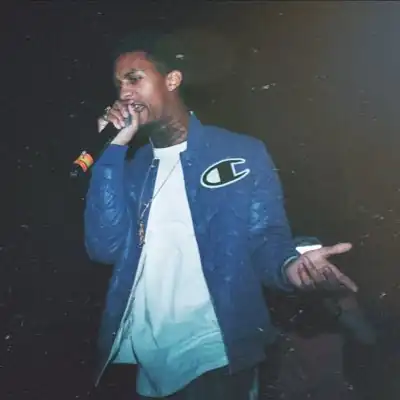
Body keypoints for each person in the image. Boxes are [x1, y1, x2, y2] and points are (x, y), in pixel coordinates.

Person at [83, 31, 358, 400]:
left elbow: (265, 237)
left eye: (134, 79)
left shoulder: (241, 152)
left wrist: (290, 267)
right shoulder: (130, 169)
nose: (124, 94)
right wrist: (111, 153)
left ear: (172, 79)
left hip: (216, 352)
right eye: (119, 84)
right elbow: (105, 248)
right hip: (151, 367)